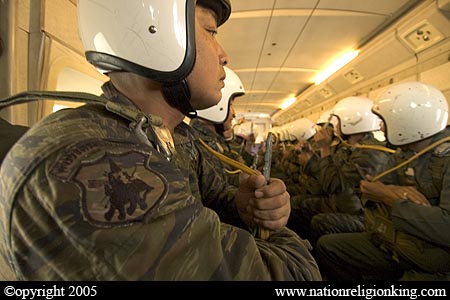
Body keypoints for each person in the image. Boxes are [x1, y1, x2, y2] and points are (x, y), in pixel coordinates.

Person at [0, 0, 321, 280]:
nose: (224, 56)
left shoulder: (169, 135)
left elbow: (209, 193)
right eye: (211, 32)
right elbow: (290, 275)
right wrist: (279, 234)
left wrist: (243, 206)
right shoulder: (95, 159)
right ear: (157, 33)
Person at [315, 81, 450, 280]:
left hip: (431, 259)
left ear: (408, 120)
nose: (380, 127)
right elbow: (368, 190)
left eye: (385, 121)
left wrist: (389, 197)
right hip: (395, 240)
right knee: (328, 246)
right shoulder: (402, 154)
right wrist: (392, 193)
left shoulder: (443, 159)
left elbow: (445, 227)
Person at [297, 97, 392, 244]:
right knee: (303, 204)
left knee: (319, 221)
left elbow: (333, 185)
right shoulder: (350, 147)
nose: (335, 128)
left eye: (338, 123)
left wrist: (324, 148)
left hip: (359, 213)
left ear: (352, 122)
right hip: (343, 204)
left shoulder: (370, 153)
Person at [190, 66, 245, 186]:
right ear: (216, 107)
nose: (234, 113)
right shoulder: (198, 145)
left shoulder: (210, 141)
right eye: (230, 105)